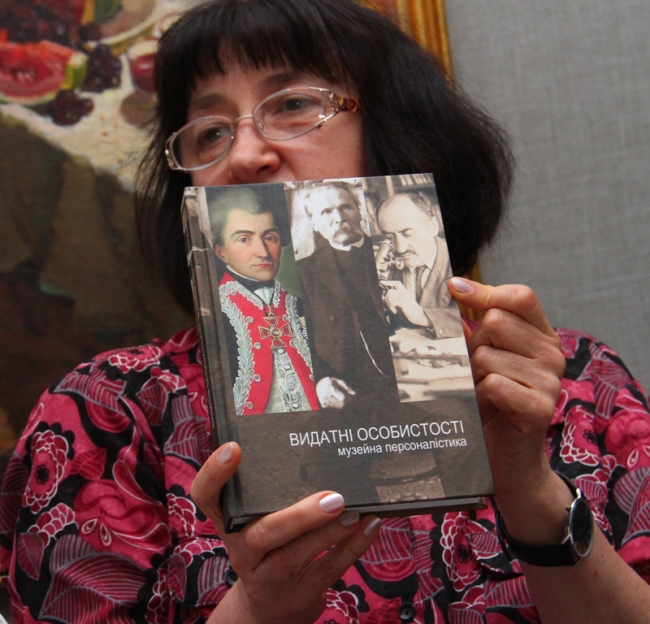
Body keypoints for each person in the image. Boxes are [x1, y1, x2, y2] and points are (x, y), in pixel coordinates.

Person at [1, 0, 650, 623]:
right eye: (211, 132)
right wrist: (258, 610)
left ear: (395, 131)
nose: (245, 155)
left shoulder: (576, 384)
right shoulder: (107, 414)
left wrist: (532, 493)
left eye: (293, 105)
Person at [208, 186, 319, 415]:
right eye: (244, 239)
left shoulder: (300, 303)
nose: (263, 252)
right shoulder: (215, 313)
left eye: (269, 237)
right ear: (220, 251)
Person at [296, 181, 397, 409]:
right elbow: (299, 337)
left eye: (345, 207)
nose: (339, 218)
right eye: (326, 212)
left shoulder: (390, 253)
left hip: (399, 380)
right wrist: (320, 381)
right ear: (314, 223)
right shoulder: (304, 272)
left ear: (359, 211)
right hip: (342, 388)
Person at [376, 192, 463, 338]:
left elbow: (476, 317)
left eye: (408, 234)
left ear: (433, 226)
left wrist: (423, 316)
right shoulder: (385, 265)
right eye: (390, 237)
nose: (400, 248)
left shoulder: (459, 259)